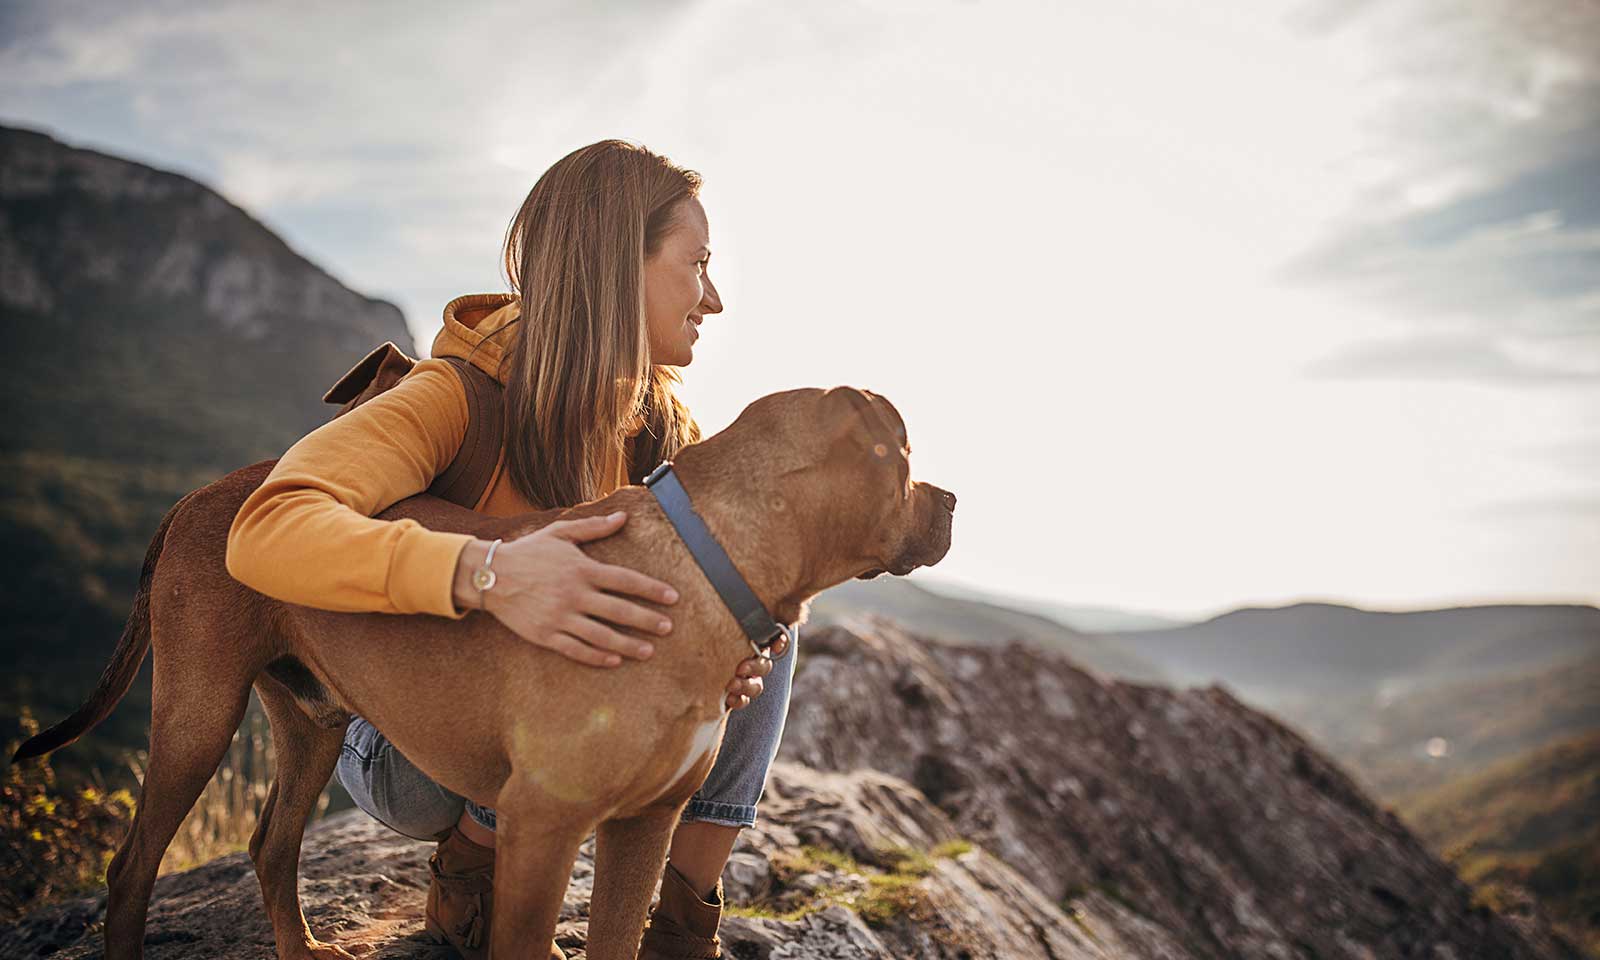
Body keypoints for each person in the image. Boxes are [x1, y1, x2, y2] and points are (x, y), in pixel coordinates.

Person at [225, 139, 794, 960]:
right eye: (696, 263)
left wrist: (726, 659)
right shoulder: (453, 395)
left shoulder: (661, 431)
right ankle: (472, 874)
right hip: (411, 747)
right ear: (611, 265)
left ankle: (678, 924)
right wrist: (486, 576)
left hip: (557, 732)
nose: (713, 298)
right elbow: (266, 525)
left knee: (759, 606)